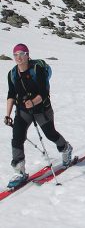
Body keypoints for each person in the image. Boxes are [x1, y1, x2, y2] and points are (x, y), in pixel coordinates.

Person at [4, 44, 73, 188]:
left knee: (50, 134)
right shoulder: (12, 74)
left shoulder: (37, 70)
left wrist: (33, 102)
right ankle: (19, 171)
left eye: (22, 53)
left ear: (28, 55)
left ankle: (66, 148)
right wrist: (7, 114)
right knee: (17, 138)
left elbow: (43, 93)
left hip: (42, 109)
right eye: (16, 54)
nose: (19, 57)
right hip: (23, 111)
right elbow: (11, 95)